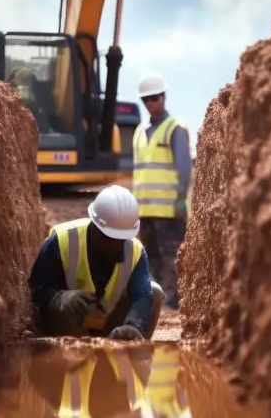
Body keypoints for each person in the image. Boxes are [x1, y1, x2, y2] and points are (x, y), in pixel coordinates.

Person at [28, 185, 164, 340]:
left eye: (120, 240)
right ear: (94, 226)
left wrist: (133, 326)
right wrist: (60, 298)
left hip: (109, 323)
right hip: (66, 325)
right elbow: (37, 288)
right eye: (107, 238)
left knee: (155, 292)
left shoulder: (135, 251)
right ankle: (71, 355)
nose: (113, 245)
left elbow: (143, 295)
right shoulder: (61, 240)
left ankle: (135, 354)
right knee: (65, 307)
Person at [131, 71, 192, 309]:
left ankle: (174, 301)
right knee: (150, 257)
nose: (150, 103)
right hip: (144, 209)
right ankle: (155, 300)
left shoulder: (175, 129)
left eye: (154, 98)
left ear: (163, 97)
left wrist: (180, 198)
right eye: (146, 99)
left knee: (172, 258)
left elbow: (184, 168)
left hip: (168, 209)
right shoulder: (138, 132)